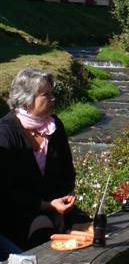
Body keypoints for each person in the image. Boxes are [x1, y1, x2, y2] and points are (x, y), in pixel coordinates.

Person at [0, 68, 82, 250]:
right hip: (18, 211)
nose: (53, 99)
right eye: (46, 94)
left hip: (57, 206)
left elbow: (68, 173)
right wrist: (48, 207)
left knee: (90, 230)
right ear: (27, 100)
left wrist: (62, 207)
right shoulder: (5, 133)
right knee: (43, 230)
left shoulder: (55, 126)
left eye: (52, 93)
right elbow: (5, 192)